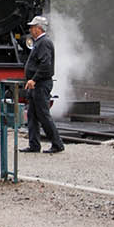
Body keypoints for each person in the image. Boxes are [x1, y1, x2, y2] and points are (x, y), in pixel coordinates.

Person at [20, 15, 65, 154]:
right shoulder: (39, 42)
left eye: (32, 27)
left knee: (43, 115)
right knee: (32, 115)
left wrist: (34, 79)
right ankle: (34, 144)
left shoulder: (44, 42)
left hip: (40, 84)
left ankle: (57, 144)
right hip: (36, 84)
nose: (30, 30)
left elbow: (45, 64)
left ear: (38, 28)